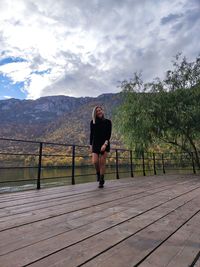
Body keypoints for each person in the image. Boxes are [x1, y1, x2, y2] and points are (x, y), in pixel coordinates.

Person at [90, 106, 112, 188]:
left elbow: (108, 135)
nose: (99, 112)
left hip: (104, 143)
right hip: (95, 144)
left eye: (100, 110)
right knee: (95, 162)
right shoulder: (92, 122)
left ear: (102, 111)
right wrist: (90, 145)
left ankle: (101, 180)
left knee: (102, 163)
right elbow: (91, 135)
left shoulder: (108, 122)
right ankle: (98, 173)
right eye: (97, 111)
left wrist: (105, 144)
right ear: (95, 113)